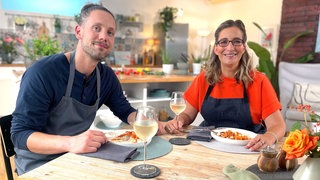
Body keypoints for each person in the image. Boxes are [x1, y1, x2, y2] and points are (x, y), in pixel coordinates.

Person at [11, 3, 165, 175]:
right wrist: (71, 143)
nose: (103, 36)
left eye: (110, 32)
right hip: (39, 165)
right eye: (96, 28)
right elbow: (20, 135)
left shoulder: (106, 76)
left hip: (77, 158)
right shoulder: (42, 73)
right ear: (79, 32)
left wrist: (147, 122)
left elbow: (125, 111)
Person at [164, 19, 285, 151]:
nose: (230, 47)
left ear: (243, 47)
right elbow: (187, 114)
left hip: (248, 147)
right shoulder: (204, 79)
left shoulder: (259, 81)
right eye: (223, 42)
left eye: (237, 41)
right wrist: (179, 120)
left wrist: (269, 136)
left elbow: (278, 125)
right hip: (208, 145)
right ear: (216, 48)